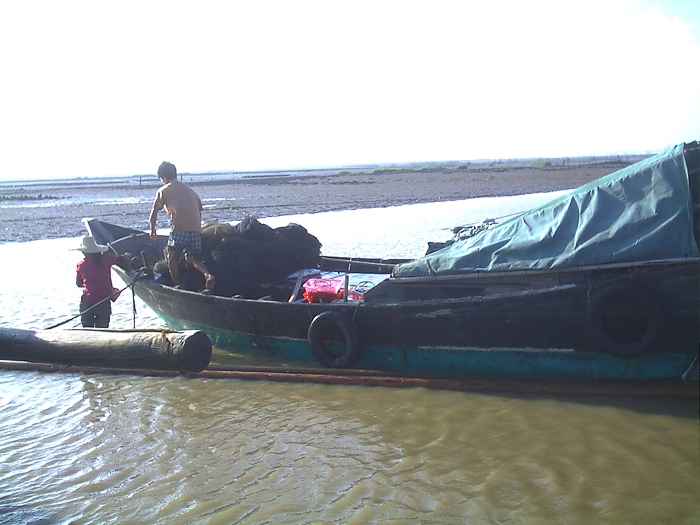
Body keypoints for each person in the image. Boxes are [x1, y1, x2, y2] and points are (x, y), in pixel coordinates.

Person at [149, 161, 216, 293]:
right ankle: (207, 275)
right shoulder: (190, 190)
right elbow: (199, 211)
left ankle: (178, 286)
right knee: (191, 258)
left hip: (179, 230)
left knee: (171, 258)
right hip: (196, 230)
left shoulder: (163, 190)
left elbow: (154, 212)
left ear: (164, 177)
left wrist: (152, 229)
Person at [75, 236, 124, 328]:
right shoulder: (106, 259)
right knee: (103, 329)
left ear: (84, 251)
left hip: (87, 302)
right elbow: (121, 260)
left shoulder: (81, 265)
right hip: (103, 301)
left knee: (87, 330)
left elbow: (79, 283)